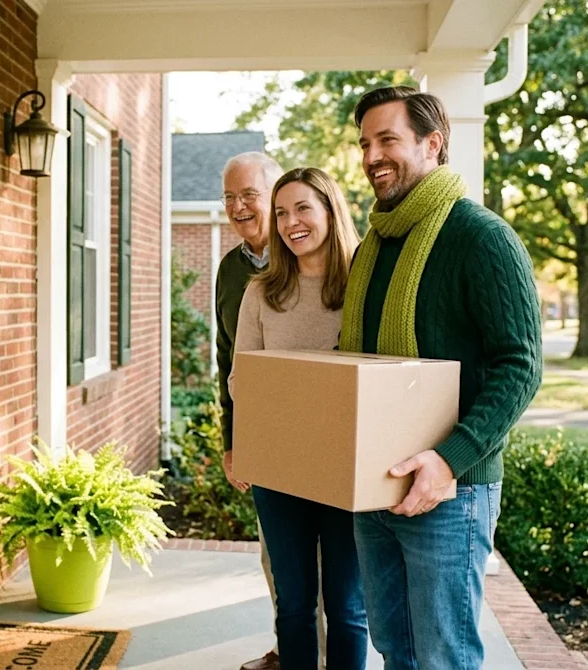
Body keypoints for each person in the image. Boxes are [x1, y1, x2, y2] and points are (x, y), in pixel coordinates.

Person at [341, 86, 542, 670]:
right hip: (376, 486)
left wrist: (449, 458)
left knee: (443, 658)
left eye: (388, 140)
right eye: (365, 143)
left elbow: (521, 365)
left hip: (451, 490)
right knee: (396, 649)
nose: (373, 155)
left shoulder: (481, 238)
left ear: (433, 144)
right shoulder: (373, 249)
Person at [230, 167, 367, 670]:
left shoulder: (365, 286)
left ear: (331, 209)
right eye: (281, 212)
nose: (290, 223)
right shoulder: (262, 292)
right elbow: (241, 379)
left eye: (303, 208)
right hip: (280, 469)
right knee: (293, 607)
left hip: (346, 469)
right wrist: (248, 444)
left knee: (348, 609)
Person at [214, 151, 303, 670]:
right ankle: (292, 650)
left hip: (317, 430)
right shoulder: (231, 270)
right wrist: (232, 441)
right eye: (229, 197)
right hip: (264, 438)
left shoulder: (308, 255)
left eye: (249, 194)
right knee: (278, 558)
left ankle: (321, 657)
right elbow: (227, 361)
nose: (239, 207)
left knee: (325, 563)